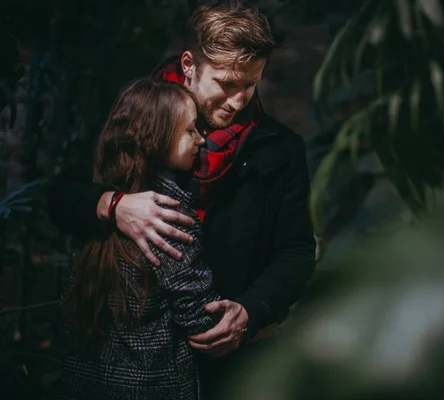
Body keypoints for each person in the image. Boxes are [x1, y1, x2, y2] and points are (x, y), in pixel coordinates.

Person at [48, 0, 316, 396]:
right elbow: (60, 198)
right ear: (189, 65)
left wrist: (250, 311)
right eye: (225, 83)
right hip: (133, 368)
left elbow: (296, 251)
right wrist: (115, 205)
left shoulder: (279, 148)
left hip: (233, 361)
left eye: (250, 84)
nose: (238, 101)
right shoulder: (140, 119)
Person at [60, 78, 221, 400]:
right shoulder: (167, 215)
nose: (201, 140)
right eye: (190, 130)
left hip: (86, 381)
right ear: (155, 137)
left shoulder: (92, 209)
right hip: (153, 387)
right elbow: (201, 322)